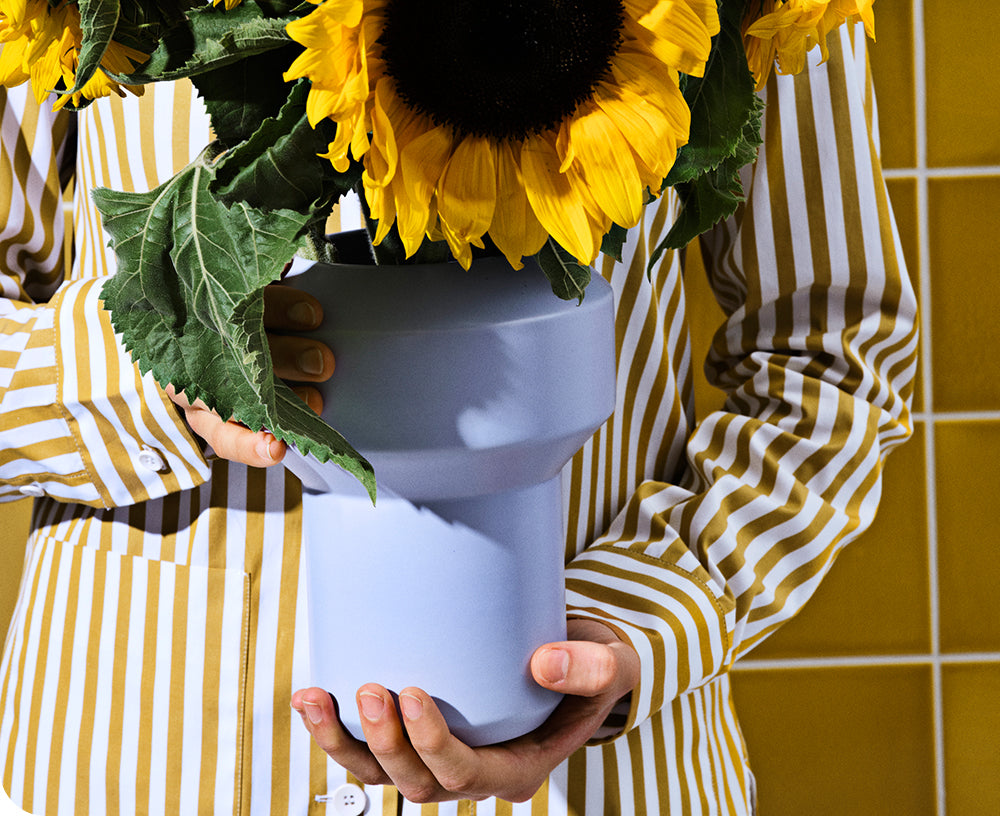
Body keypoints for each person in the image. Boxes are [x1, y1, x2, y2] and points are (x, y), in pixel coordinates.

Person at [0, 21, 917, 816]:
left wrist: (639, 617)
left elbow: (839, 355)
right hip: (143, 756)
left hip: (591, 775)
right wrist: (166, 353)